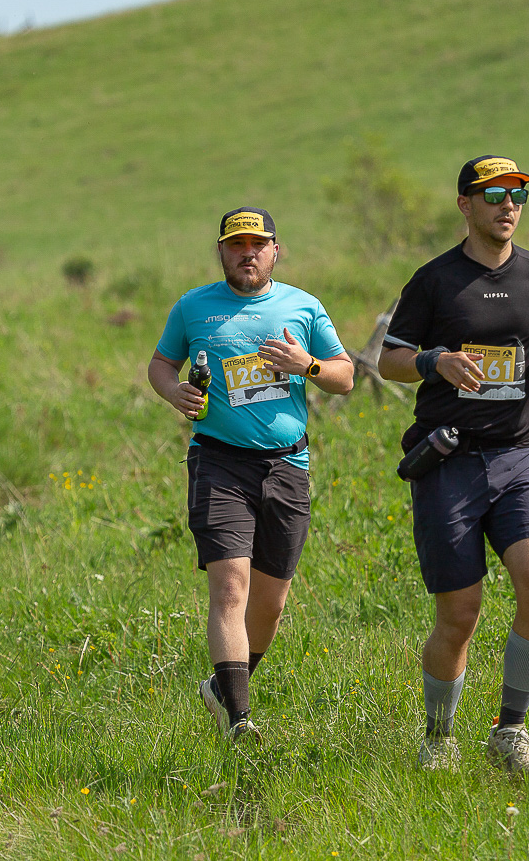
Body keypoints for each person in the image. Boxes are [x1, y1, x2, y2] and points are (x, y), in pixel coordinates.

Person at [379, 155, 529, 778]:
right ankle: (438, 739)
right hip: (450, 463)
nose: (507, 205)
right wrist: (435, 362)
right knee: (460, 616)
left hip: (518, 457)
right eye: (493, 195)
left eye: (516, 194)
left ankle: (509, 732)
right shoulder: (434, 281)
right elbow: (388, 360)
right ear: (466, 205)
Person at [147, 207, 354, 742]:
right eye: (236, 244)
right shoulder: (193, 307)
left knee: (271, 601)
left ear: (275, 251)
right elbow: (160, 365)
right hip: (219, 461)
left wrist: (307, 365)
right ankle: (240, 721)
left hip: (287, 464)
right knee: (230, 588)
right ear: (221, 250)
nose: (247, 254)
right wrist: (174, 393)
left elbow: (345, 376)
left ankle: (221, 689)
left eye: (257, 244)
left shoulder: (304, 307)